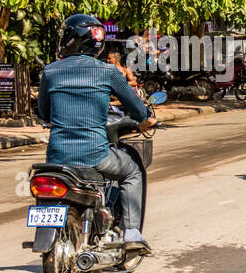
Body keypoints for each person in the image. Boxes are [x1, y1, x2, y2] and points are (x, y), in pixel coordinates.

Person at [37, 14, 158, 253]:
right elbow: (135, 107)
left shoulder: (50, 72)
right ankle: (132, 232)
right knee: (132, 169)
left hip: (57, 157)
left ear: (70, 39)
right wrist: (146, 119)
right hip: (95, 155)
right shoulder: (107, 71)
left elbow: (43, 112)